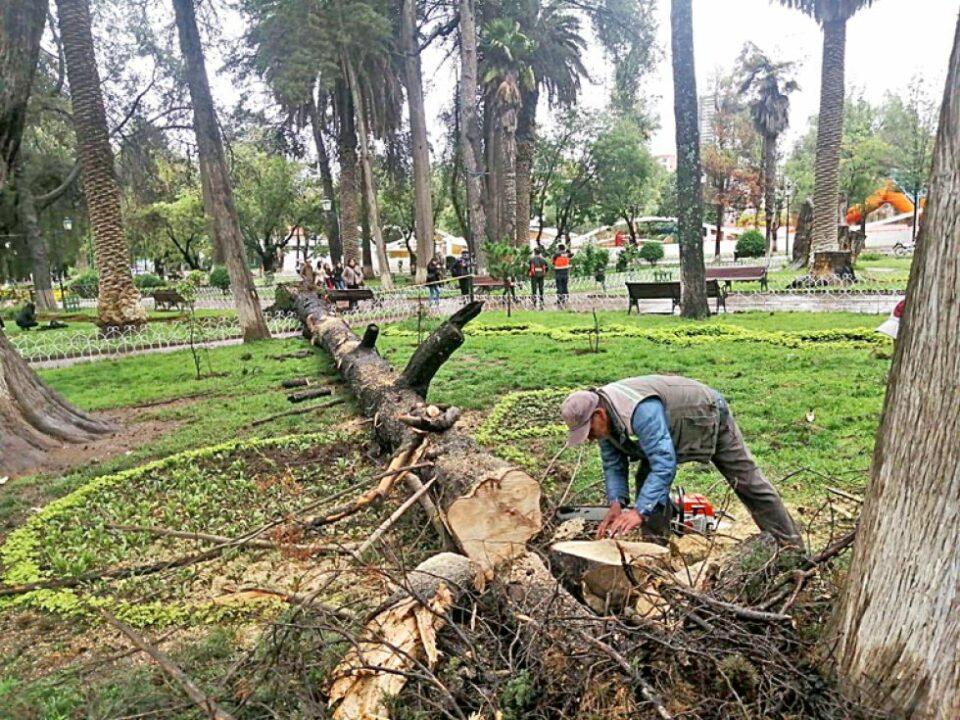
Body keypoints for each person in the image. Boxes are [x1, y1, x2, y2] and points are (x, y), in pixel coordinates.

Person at [560, 376, 804, 548]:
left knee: (747, 480)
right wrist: (616, 503)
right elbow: (613, 465)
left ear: (598, 415)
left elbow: (664, 463)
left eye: (588, 431)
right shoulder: (605, 417)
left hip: (703, 413)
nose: (590, 439)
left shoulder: (639, 410)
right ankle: (655, 548)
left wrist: (639, 511)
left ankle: (791, 545)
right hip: (669, 428)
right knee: (646, 481)